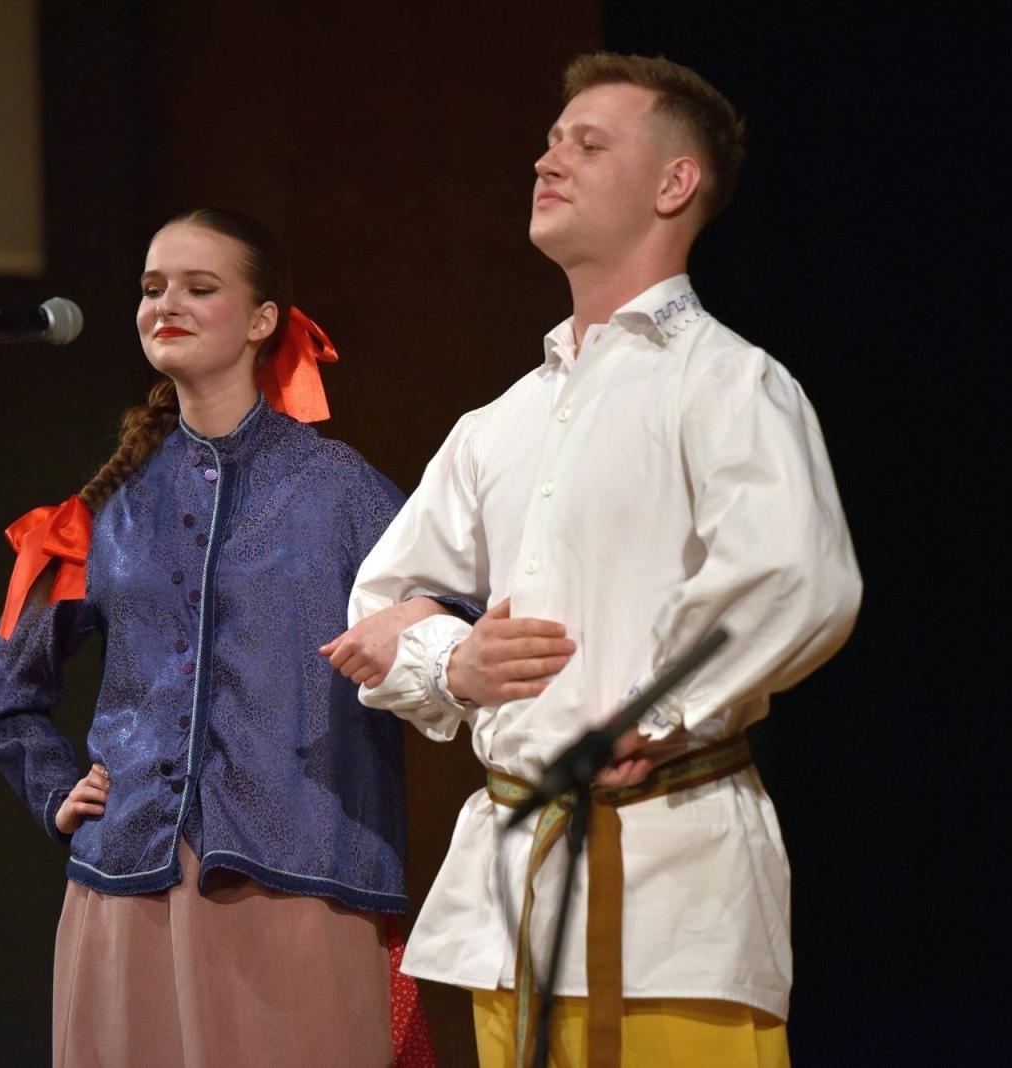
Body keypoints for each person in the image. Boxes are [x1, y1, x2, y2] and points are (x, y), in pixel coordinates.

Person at [323, 54, 863, 1067]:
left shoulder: (729, 384)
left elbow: (797, 579)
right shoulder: (498, 423)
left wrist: (643, 714)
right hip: (515, 907)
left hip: (671, 898)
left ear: (673, 184)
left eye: (587, 143)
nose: (547, 158)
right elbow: (380, 607)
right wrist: (455, 664)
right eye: (548, 140)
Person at [0, 209, 435, 1067]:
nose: (166, 304)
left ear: (264, 321)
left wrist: (423, 620)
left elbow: (458, 617)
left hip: (302, 879)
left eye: (199, 287)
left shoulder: (342, 492)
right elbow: (9, 691)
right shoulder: (105, 509)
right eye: (152, 288)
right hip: (127, 887)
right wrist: (55, 788)